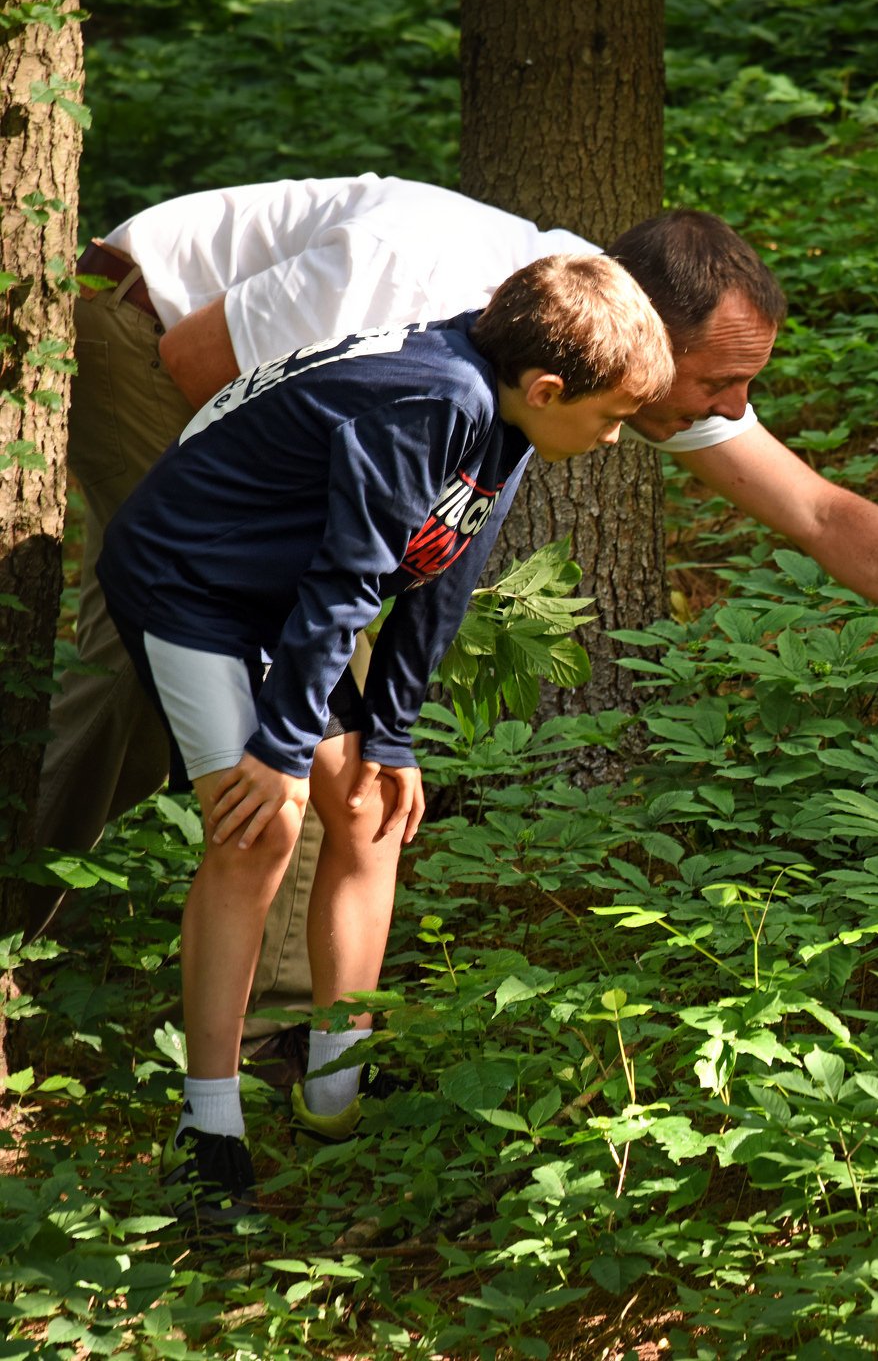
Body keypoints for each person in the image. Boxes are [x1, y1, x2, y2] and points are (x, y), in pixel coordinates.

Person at [56, 175, 878, 1068]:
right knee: (206, 678)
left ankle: (306, 1035)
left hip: (295, 420)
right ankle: (143, 972)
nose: (723, 410)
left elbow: (819, 510)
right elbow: (197, 364)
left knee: (307, 706)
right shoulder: (429, 265)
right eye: (718, 383)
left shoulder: (616, 358)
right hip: (141, 328)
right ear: (637, 339)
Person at [103, 253, 672, 1218]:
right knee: (261, 829)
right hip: (190, 583)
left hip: (280, 595)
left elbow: (443, 562)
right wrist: (281, 753)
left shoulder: (507, 408)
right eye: (612, 416)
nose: (615, 438)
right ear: (547, 388)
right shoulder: (430, 398)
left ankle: (335, 1091)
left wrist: (393, 732)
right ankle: (210, 1128)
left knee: (368, 803)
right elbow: (348, 582)